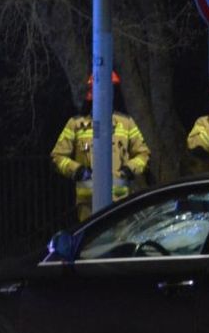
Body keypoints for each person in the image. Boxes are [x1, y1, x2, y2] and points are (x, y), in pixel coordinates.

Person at [50, 71, 151, 222]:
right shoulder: (76, 125)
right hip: (88, 207)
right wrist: (77, 170)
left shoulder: (126, 123)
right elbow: (57, 157)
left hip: (119, 203)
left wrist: (130, 169)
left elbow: (144, 154)